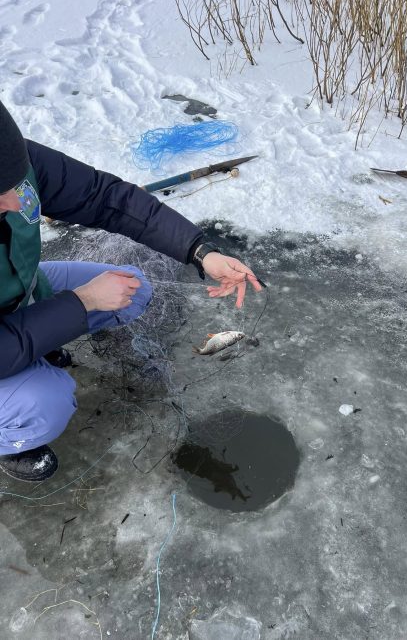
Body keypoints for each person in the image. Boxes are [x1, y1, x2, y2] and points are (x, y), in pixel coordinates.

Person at [0, 100, 262, 483]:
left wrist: (200, 251)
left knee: (130, 288)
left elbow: (107, 198)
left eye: (13, 183)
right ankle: (11, 439)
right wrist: (83, 302)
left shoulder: (14, 166)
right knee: (44, 403)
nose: (14, 201)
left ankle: (39, 345)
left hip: (19, 293)